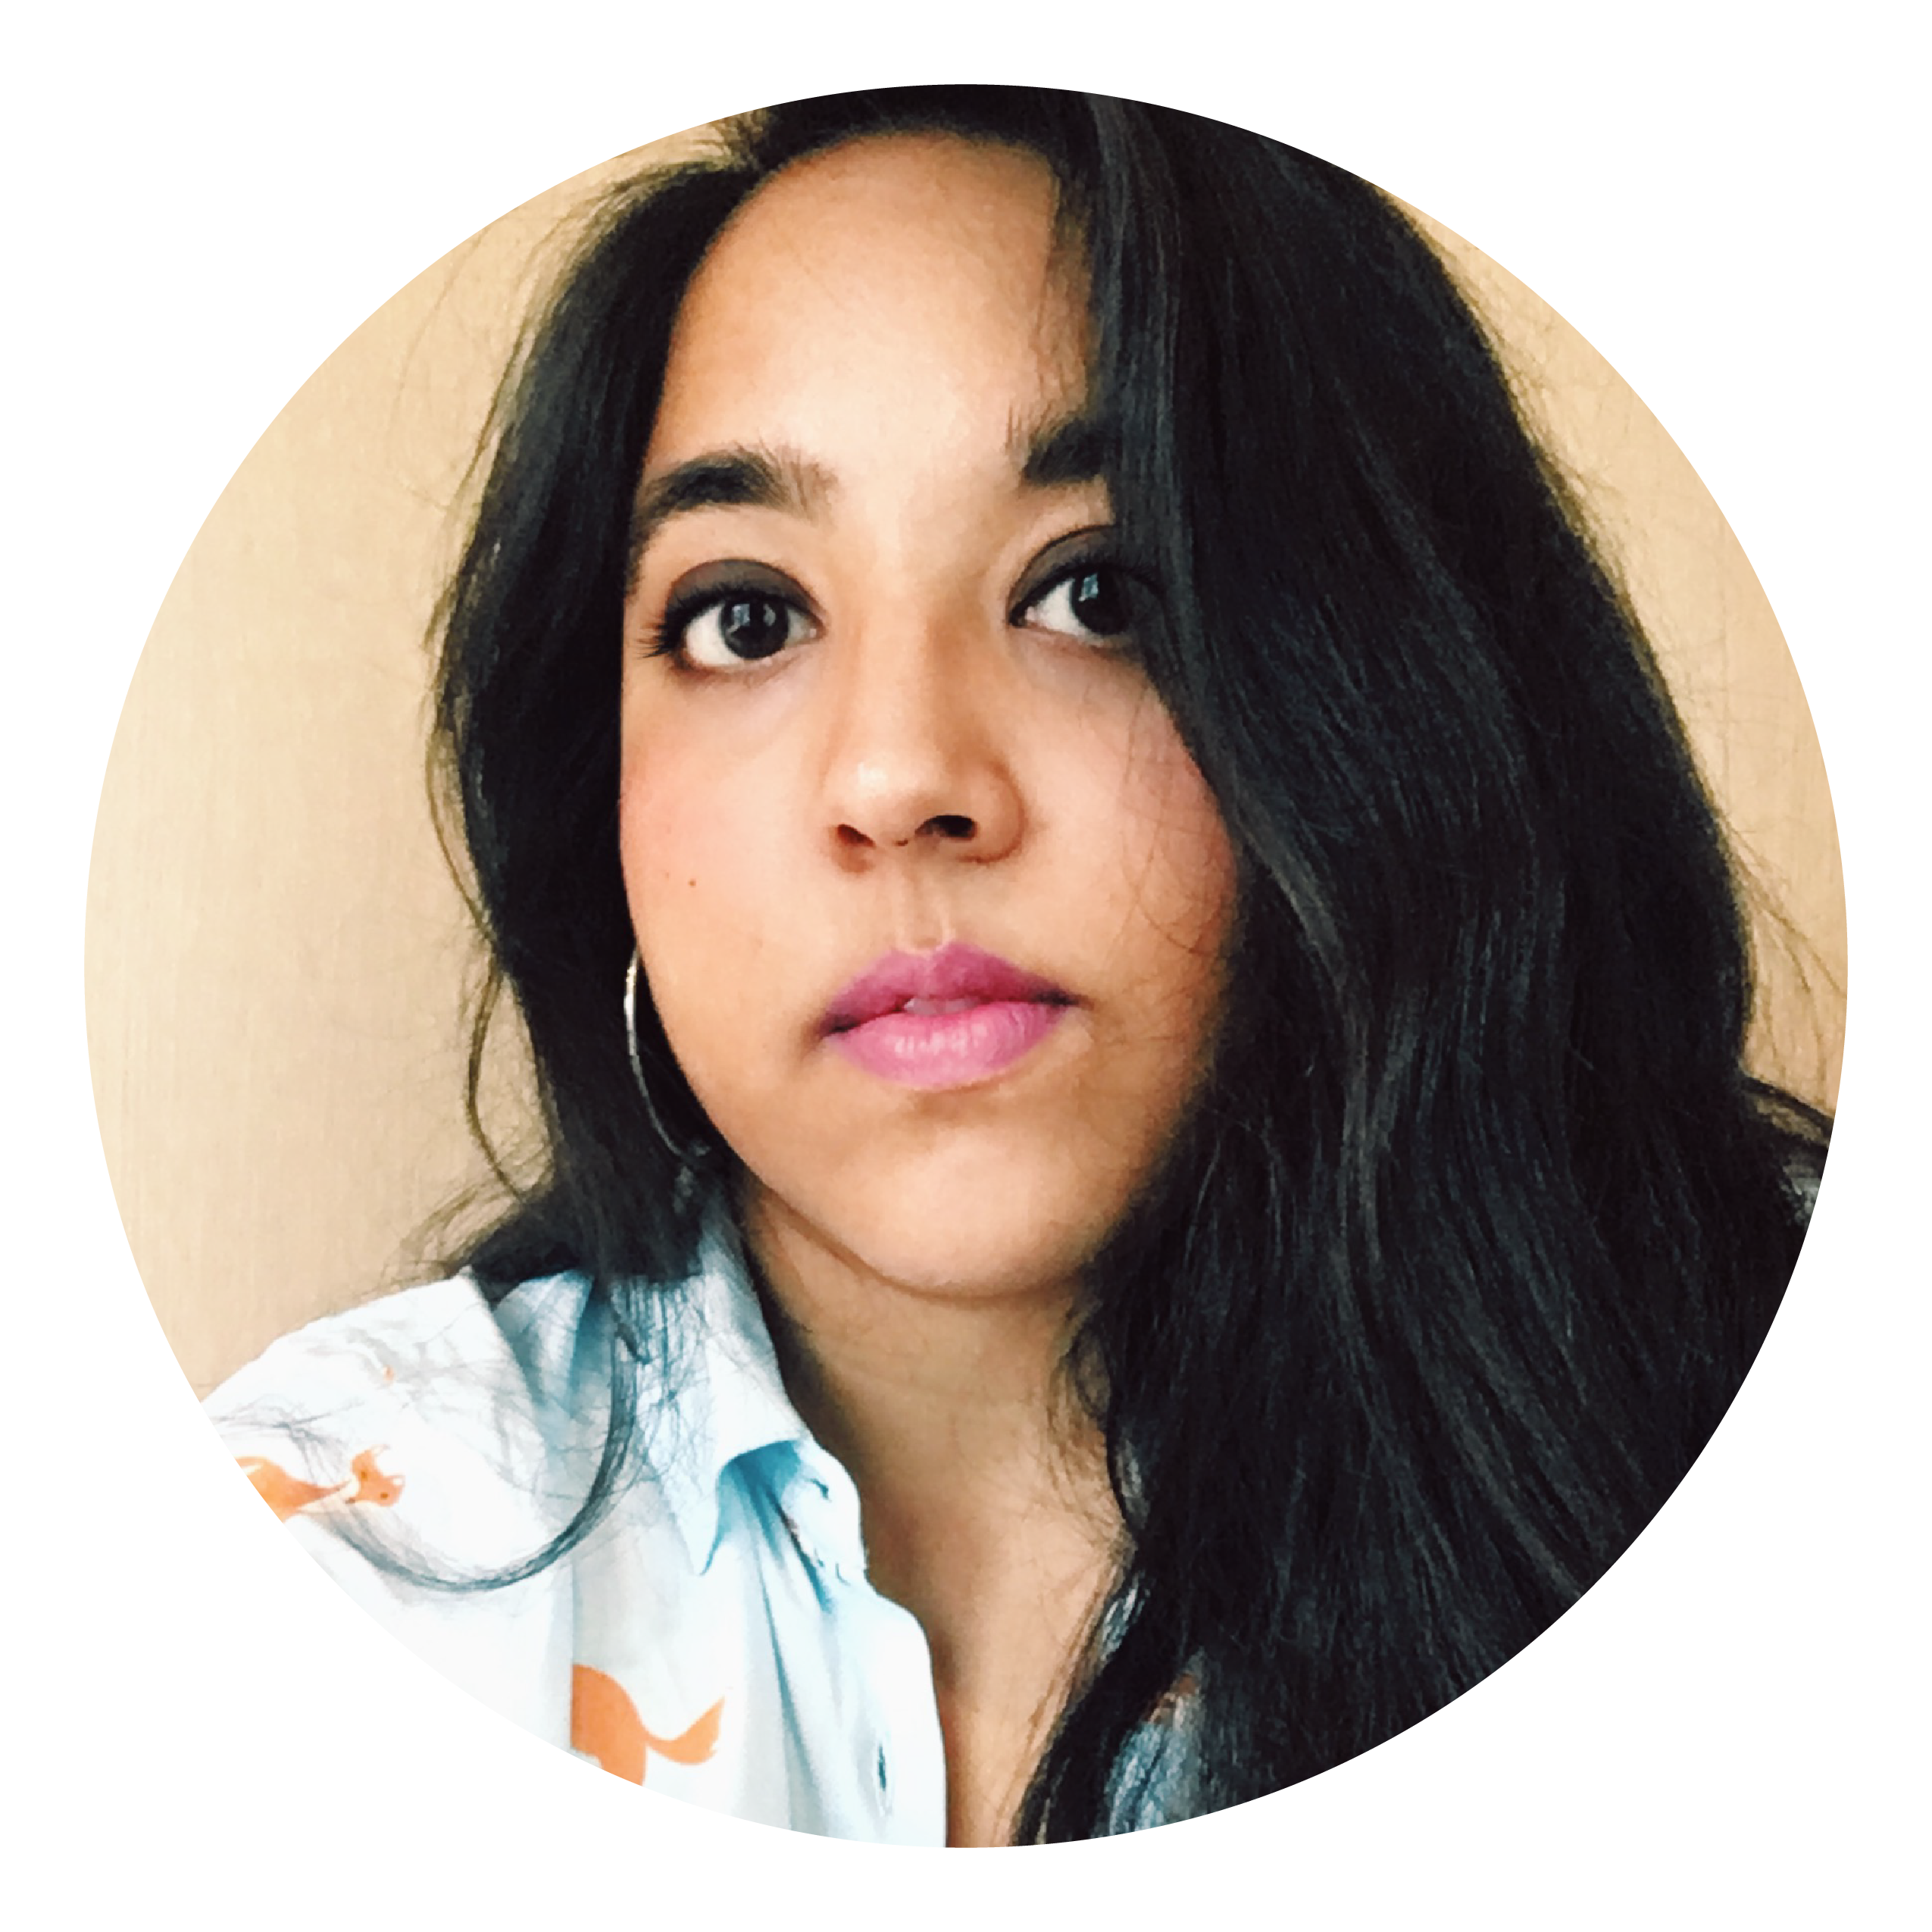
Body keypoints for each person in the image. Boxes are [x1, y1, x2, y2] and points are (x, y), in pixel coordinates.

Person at [205, 85, 1830, 1846]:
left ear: (1390, 692)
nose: (902, 779)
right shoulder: (310, 1564)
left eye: (1100, 593)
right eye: (745, 616)